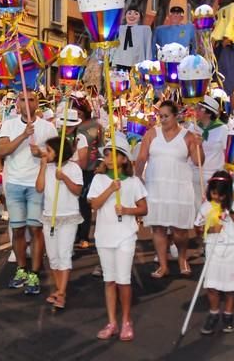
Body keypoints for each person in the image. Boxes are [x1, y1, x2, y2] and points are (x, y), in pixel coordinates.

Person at [88, 133, 148, 341]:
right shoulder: (99, 179)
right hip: (104, 236)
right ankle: (112, 321)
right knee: (109, 280)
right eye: (106, 154)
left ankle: (126, 321)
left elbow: (143, 209)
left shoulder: (133, 181)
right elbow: (94, 205)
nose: (109, 158)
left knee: (123, 281)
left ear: (123, 158)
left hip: (126, 236)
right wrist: (110, 189)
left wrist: (127, 210)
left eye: (113, 154)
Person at [135, 101, 203, 278]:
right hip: (156, 185)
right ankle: (163, 264)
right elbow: (142, 158)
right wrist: (137, 178)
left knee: (179, 230)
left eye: (166, 116)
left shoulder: (188, 136)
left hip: (179, 187)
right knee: (158, 227)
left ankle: (182, 258)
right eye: (161, 116)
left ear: (175, 116)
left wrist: (199, 144)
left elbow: (198, 162)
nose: (163, 119)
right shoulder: (152, 134)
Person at [0, 91, 58, 295]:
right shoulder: (9, 124)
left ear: (36, 104)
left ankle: (34, 272)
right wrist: (23, 135)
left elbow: (57, 155)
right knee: (17, 230)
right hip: (14, 184)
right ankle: (21, 269)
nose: (26, 103)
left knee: (35, 230)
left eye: (31, 99)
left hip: (36, 185)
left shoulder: (48, 127)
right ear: (17, 104)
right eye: (22, 99)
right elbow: (2, 150)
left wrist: (41, 153)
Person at [196, 170, 234, 334]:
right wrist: (212, 229)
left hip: (232, 248)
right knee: (212, 285)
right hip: (213, 249)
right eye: (214, 193)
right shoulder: (206, 206)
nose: (217, 198)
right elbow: (198, 228)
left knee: (230, 286)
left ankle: (228, 314)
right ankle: (213, 314)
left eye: (221, 195)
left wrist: (230, 210)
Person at [35, 136, 83, 309]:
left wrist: (64, 178)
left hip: (68, 216)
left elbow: (77, 190)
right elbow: (39, 188)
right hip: (49, 216)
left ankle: (61, 293)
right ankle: (58, 289)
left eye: (48, 150)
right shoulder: (46, 168)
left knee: (64, 254)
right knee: (53, 257)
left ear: (58, 152)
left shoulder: (73, 168)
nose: (45, 153)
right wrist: (42, 167)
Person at [74, 96, 104, 250]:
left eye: (78, 111)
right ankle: (74, 234)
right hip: (72, 169)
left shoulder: (96, 126)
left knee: (84, 203)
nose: (76, 114)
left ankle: (84, 236)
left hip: (89, 169)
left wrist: (101, 164)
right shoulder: (71, 126)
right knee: (73, 203)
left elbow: (101, 146)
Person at [187, 95, 228, 208]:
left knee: (211, 212)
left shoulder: (222, 129)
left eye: (200, 108)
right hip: (194, 176)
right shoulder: (192, 128)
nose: (196, 110)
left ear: (209, 113)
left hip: (214, 179)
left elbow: (227, 153)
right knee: (195, 212)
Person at [112, 7, 153, 72]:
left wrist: (148, 63)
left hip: (138, 62)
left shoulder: (145, 29)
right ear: (125, 15)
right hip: (120, 61)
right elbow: (113, 45)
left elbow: (148, 46)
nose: (132, 16)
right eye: (129, 13)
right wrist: (112, 61)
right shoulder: (119, 29)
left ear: (140, 16)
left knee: (136, 81)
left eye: (136, 14)